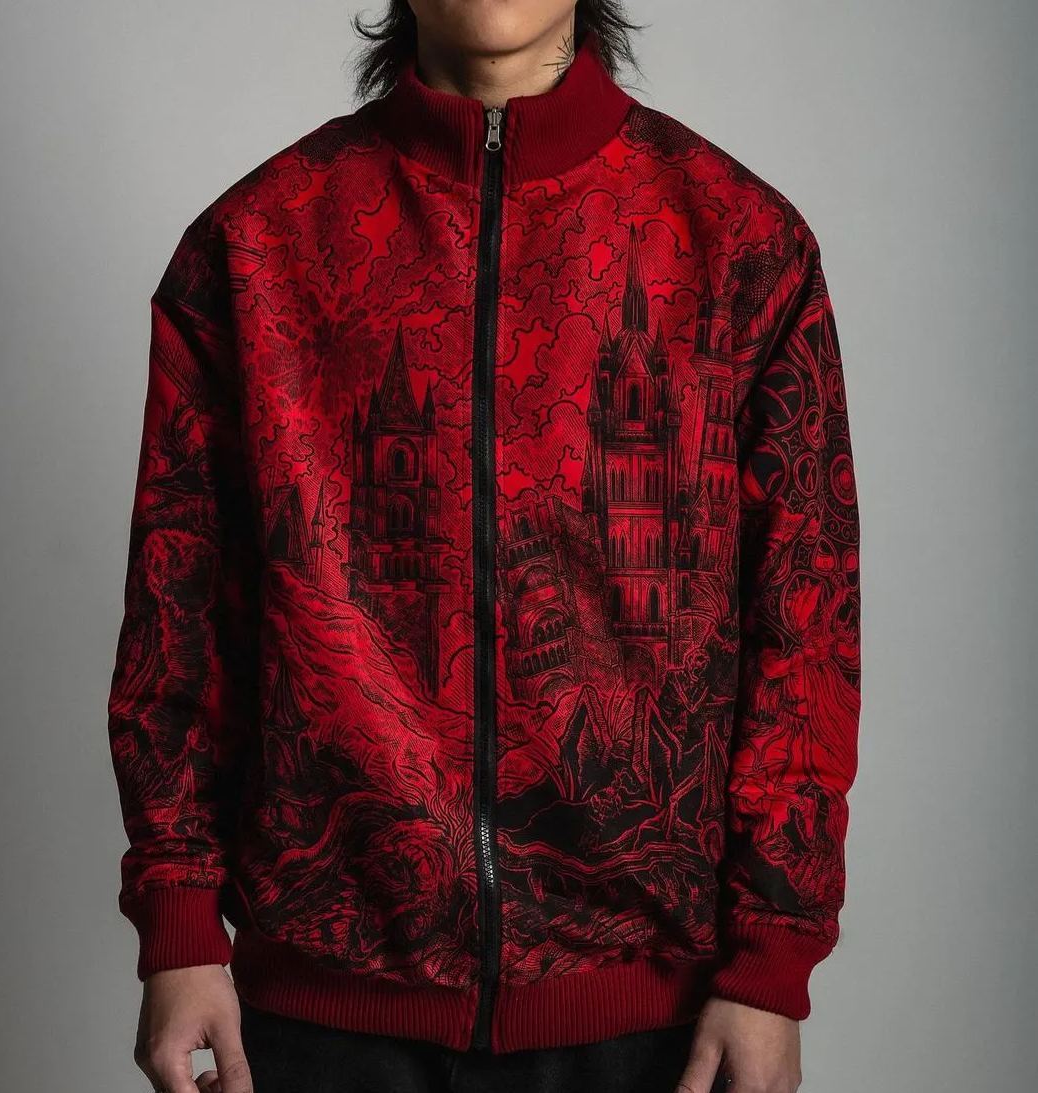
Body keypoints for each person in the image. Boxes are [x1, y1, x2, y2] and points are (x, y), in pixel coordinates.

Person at [106, 2, 862, 1091]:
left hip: (653, 1010)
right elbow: (177, 612)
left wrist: (771, 962)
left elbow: (806, 627)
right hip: (323, 1003)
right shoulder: (257, 241)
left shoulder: (739, 239)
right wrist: (179, 923)